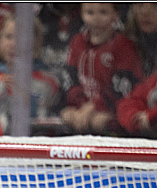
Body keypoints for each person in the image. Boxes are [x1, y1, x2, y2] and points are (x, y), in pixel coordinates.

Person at [60, 2, 144, 135]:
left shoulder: (123, 45)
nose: (96, 18)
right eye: (90, 12)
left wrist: (94, 107)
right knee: (66, 115)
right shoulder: (77, 42)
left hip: (112, 110)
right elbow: (70, 80)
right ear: (81, 14)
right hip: (82, 107)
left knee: (99, 122)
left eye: (103, 12)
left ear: (115, 15)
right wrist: (81, 108)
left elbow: (122, 87)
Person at [0, 16, 61, 136]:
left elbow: (45, 120)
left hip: (37, 149)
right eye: (8, 37)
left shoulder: (49, 82)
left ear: (36, 42)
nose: (13, 44)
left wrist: (25, 96)